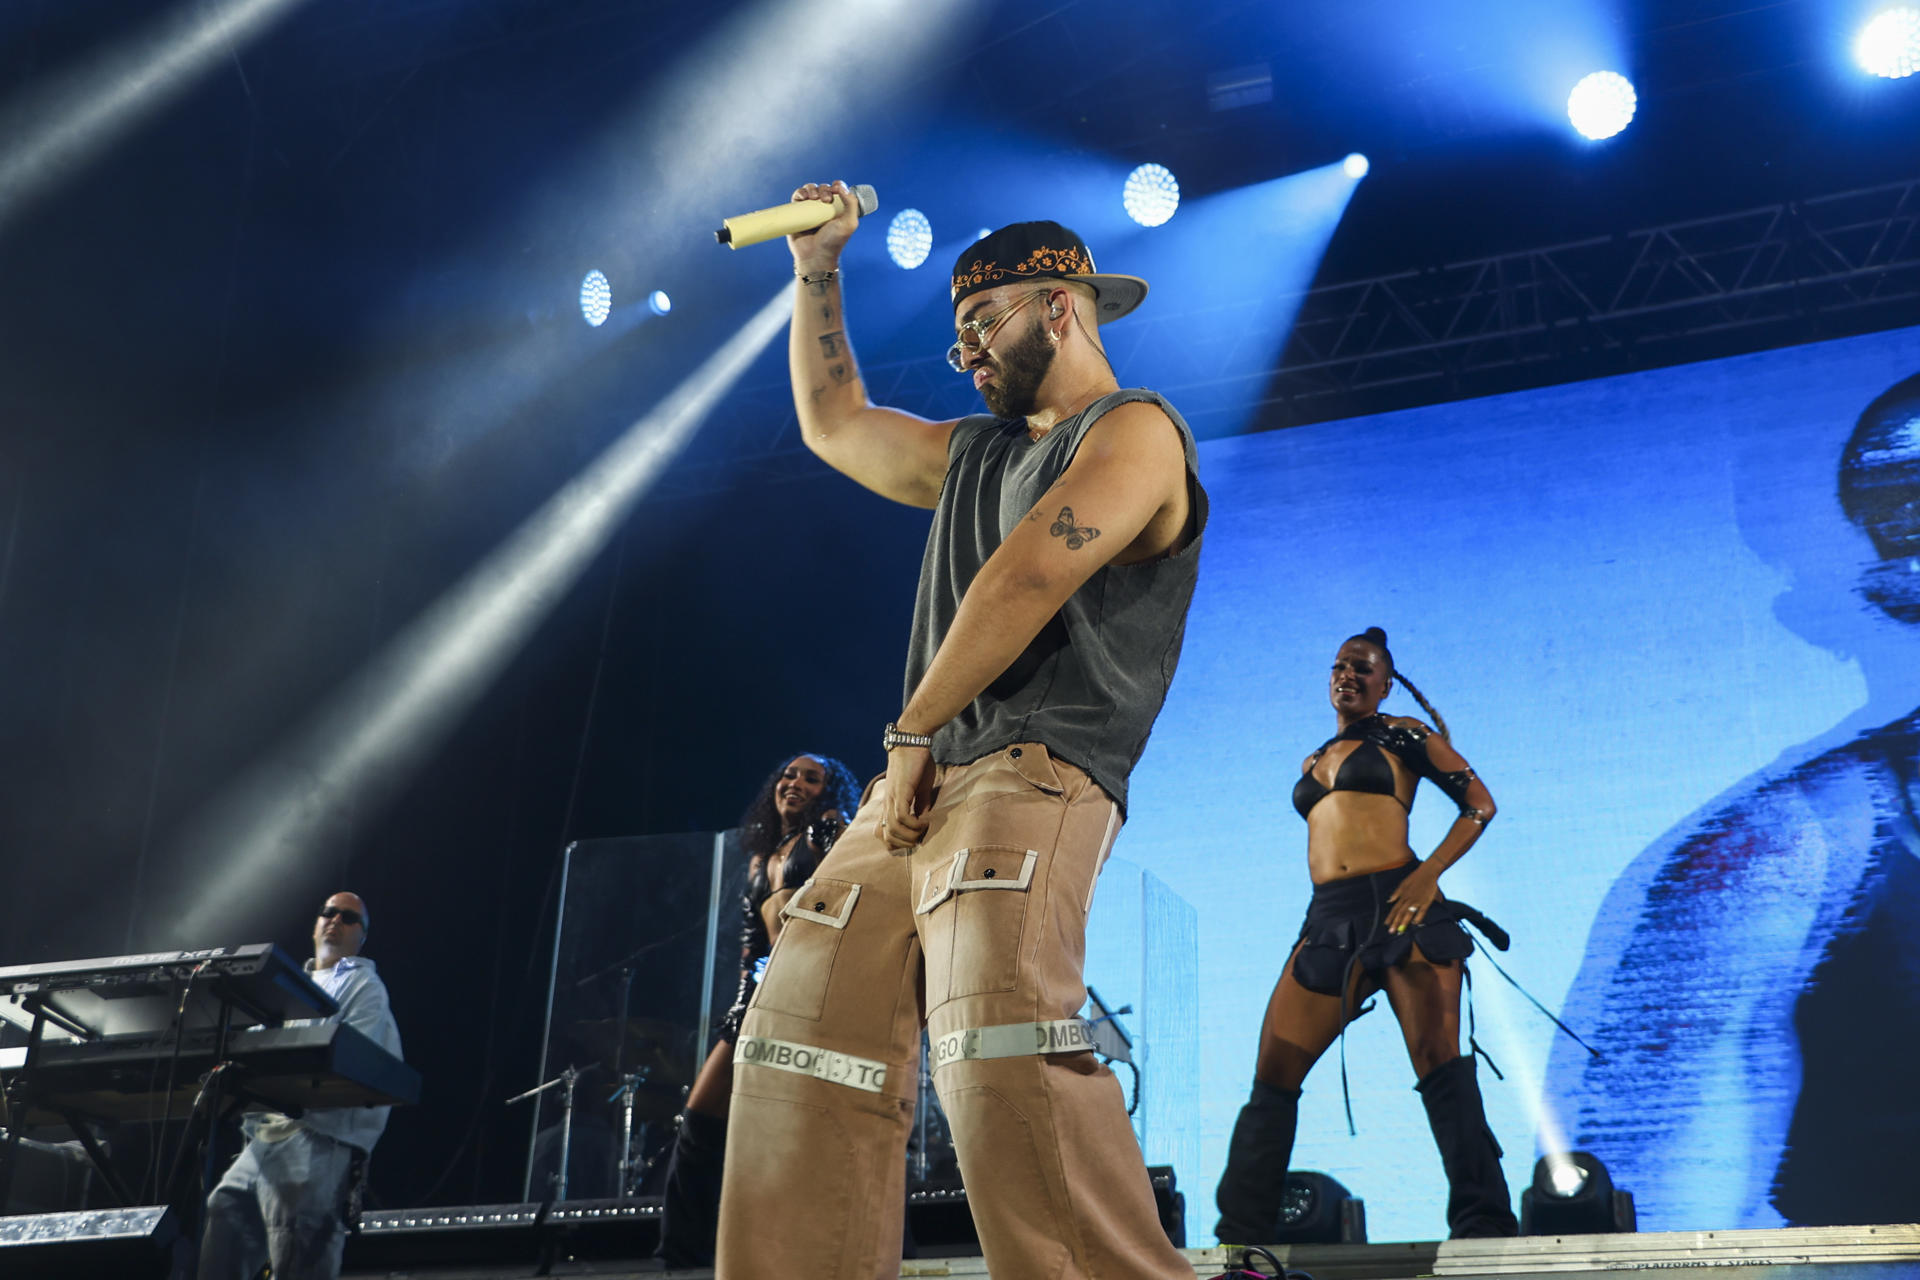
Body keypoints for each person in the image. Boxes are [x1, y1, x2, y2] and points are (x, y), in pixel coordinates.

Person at [715, 190, 1207, 1278]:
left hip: (1030, 773)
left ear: (1061, 310)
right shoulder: (973, 451)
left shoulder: (1135, 433)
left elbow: (1030, 571)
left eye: (982, 325)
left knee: (999, 1044)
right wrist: (818, 269)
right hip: (922, 780)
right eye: (956, 335)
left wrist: (910, 731)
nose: (964, 354)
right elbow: (834, 422)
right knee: (800, 1030)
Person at [1214, 628, 1517, 1243]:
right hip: (1329, 917)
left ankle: (1484, 1225)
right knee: (1274, 1071)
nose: (1347, 674)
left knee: (1439, 1059)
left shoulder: (1403, 734)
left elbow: (1479, 803)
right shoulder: (1312, 759)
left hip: (1401, 900)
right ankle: (1241, 1239)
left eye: (1361, 667)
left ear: (1385, 683)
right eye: (1339, 666)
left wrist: (1429, 875)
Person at [654, 751, 859, 1265]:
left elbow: (856, 892)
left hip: (813, 993)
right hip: (757, 999)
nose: (795, 784)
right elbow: (751, 943)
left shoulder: (829, 829)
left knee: (819, 1132)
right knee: (701, 1119)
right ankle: (684, 1256)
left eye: (811, 779)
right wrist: (744, 999)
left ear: (827, 794)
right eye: (789, 775)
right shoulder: (759, 854)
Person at [198, 892, 404, 1280]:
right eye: (328, 913)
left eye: (347, 917)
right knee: (224, 1210)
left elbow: (351, 1058)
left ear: (362, 937)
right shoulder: (292, 982)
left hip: (317, 1134)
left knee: (296, 1245)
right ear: (315, 924)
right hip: (265, 1135)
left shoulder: (366, 986)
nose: (334, 921)